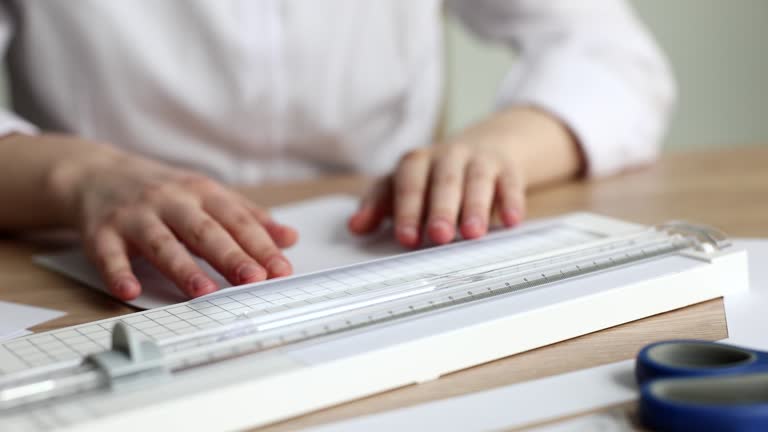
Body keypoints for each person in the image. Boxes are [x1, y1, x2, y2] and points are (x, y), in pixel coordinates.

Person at [0, 1, 674, 301]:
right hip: (82, 261)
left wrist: (496, 152)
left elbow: (613, 57)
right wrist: (80, 175)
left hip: (388, 248)